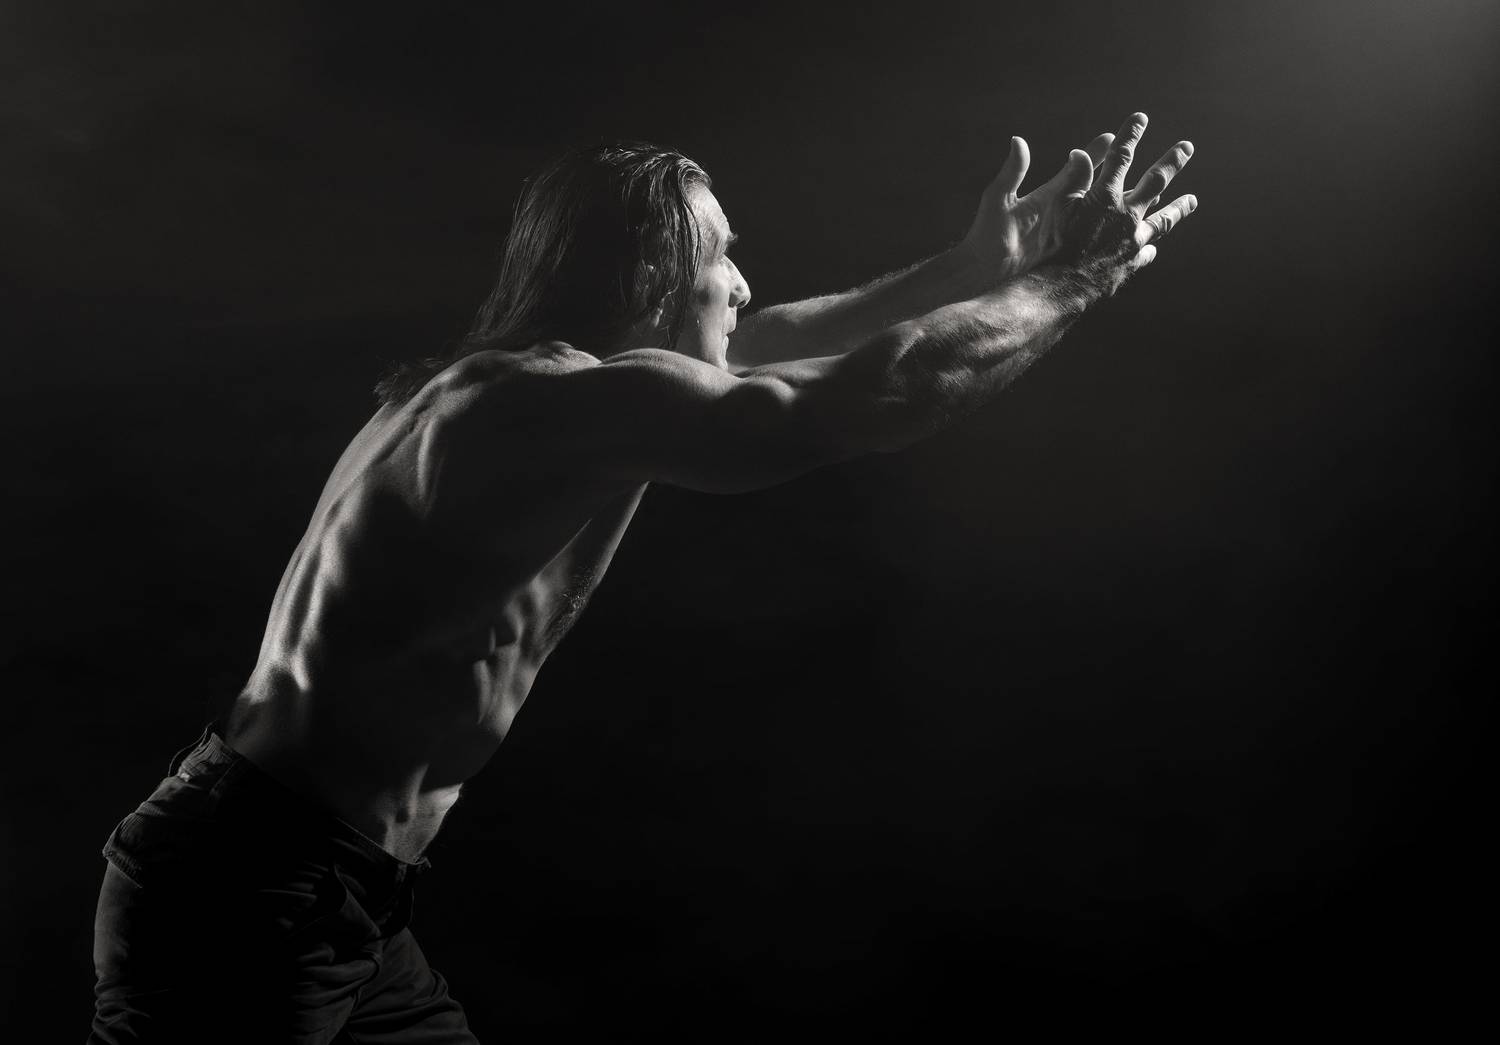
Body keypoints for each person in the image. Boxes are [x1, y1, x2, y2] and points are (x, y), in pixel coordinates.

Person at [90, 111, 1197, 1042]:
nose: (742, 283)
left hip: (330, 894)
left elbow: (759, 347)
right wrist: (1078, 279)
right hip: (249, 893)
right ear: (658, 275)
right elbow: (858, 398)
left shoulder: (534, 389)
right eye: (723, 257)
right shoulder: (541, 409)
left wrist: (972, 271)